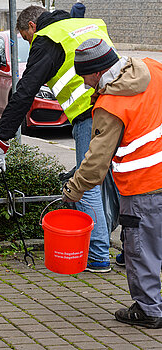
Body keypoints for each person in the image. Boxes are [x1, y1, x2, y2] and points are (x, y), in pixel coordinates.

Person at [0, 6, 115, 272]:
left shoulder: (48, 39)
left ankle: (99, 255)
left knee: (86, 183)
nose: (29, 44)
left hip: (89, 116)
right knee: (121, 180)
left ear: (32, 26)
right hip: (121, 110)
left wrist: (1, 140)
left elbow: (24, 93)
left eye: (26, 37)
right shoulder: (87, 25)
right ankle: (131, 250)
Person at [63, 38, 162, 328]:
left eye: (83, 77)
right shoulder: (152, 69)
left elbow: (95, 164)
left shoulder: (111, 104)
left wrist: (73, 189)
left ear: (96, 73)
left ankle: (149, 309)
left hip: (143, 186)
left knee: (140, 249)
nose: (83, 85)